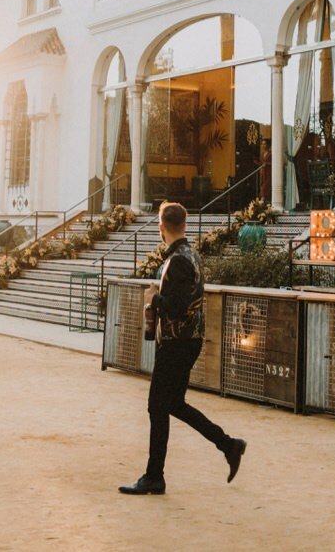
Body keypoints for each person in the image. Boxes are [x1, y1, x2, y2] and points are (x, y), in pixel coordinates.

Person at [119, 202, 247, 495]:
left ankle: (155, 476)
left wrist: (155, 298)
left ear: (162, 228)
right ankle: (228, 445)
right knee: (173, 404)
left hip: (177, 342)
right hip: (190, 341)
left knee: (157, 406)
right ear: (185, 225)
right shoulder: (192, 256)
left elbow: (176, 307)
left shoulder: (177, 260)